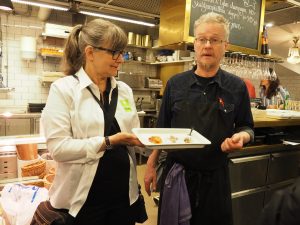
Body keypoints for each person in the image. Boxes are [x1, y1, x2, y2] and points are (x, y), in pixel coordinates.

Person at [144, 12, 254, 225]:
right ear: (195, 44)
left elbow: (247, 126)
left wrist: (241, 137)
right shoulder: (175, 84)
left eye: (214, 40)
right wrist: (150, 164)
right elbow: (162, 128)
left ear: (225, 45)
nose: (207, 46)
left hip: (216, 179)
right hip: (178, 175)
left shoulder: (236, 87)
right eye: (202, 39)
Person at [40, 19, 145, 225]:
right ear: (90, 52)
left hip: (124, 197)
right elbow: (59, 149)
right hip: (83, 201)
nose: (120, 59)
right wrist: (108, 141)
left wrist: (147, 142)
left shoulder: (124, 91)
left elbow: (134, 133)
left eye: (121, 52)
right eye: (114, 52)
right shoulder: (64, 89)